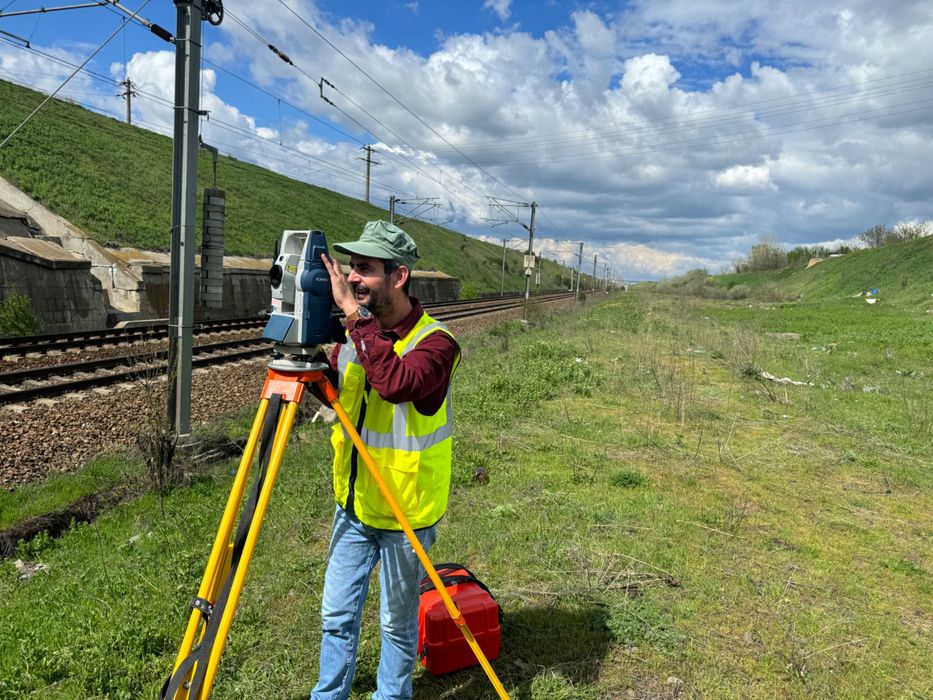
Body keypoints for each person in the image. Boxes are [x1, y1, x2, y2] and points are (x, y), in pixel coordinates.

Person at [311, 220, 461, 700]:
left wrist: (354, 319)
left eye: (366, 269)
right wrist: (303, 357)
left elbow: (397, 384)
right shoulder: (359, 336)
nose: (353, 278)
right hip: (354, 504)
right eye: (352, 267)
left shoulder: (437, 344)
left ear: (398, 277)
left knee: (396, 625)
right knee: (336, 614)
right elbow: (338, 395)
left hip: (405, 512)